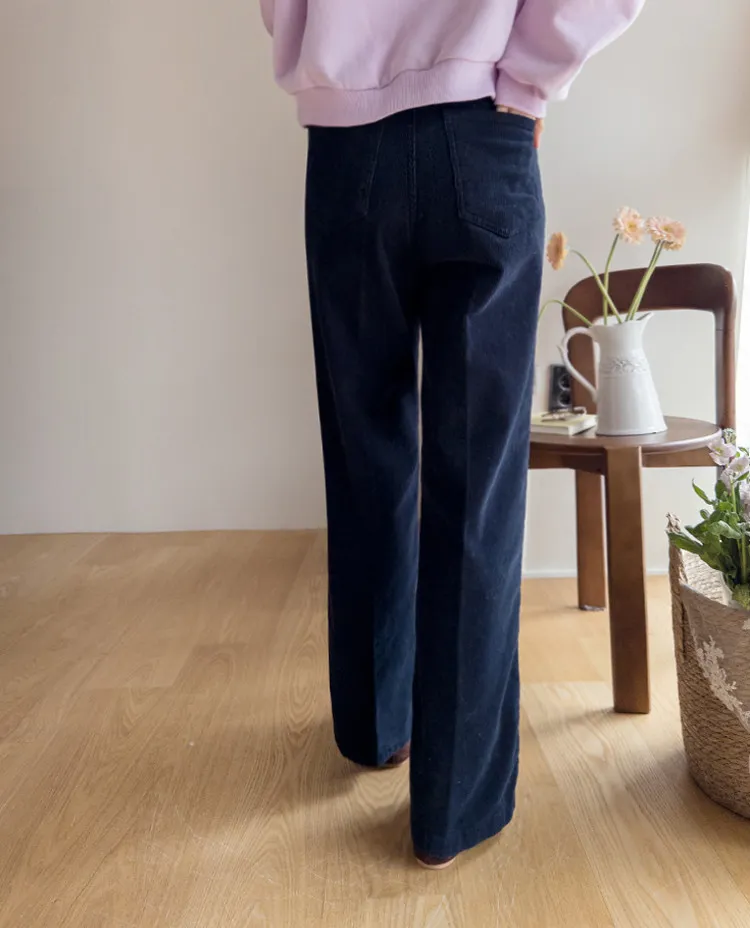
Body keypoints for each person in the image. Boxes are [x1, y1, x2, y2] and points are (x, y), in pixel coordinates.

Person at [260, 0, 645, 869]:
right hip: (483, 133)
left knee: (366, 450)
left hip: (346, 147)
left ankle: (376, 728)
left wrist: (325, 57)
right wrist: (528, 78)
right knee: (478, 483)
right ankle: (452, 809)